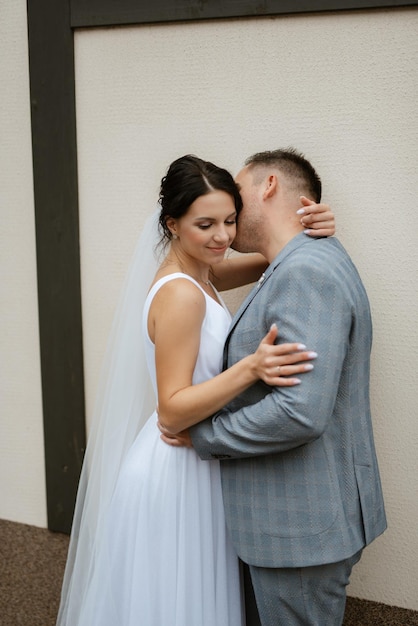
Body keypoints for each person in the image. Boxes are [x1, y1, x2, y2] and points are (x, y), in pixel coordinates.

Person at [56, 154, 335, 626]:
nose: (223, 236)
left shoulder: (199, 273)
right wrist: (251, 368)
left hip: (197, 460)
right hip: (175, 468)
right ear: (172, 223)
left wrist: (312, 226)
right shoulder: (182, 294)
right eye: (205, 224)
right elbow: (171, 410)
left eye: (230, 220)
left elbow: (270, 255)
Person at [161, 148, 387, 626]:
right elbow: (211, 270)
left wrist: (203, 436)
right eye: (209, 221)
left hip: (298, 528)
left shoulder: (305, 270)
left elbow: (298, 411)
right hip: (289, 521)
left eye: (236, 198)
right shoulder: (300, 258)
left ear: (267, 186)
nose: (229, 219)